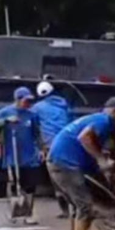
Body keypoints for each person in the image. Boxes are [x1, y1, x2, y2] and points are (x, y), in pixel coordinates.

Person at [46, 98, 115, 230]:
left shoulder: (95, 119)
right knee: (85, 207)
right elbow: (84, 138)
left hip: (59, 161)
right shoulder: (104, 120)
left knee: (77, 206)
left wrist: (102, 171)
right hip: (66, 164)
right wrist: (101, 160)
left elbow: (89, 148)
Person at [0, 87, 44, 224]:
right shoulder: (5, 112)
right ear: (18, 100)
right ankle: (14, 210)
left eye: (30, 101)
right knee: (14, 184)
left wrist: (41, 149)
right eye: (26, 101)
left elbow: (37, 133)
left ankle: (29, 213)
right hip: (12, 155)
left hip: (29, 156)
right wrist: (6, 121)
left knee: (30, 186)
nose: (28, 103)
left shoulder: (32, 114)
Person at [32, 80, 73, 218]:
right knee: (69, 174)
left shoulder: (37, 108)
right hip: (67, 143)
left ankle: (65, 210)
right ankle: (75, 207)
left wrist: (39, 146)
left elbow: (34, 125)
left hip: (52, 146)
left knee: (56, 179)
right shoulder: (64, 104)